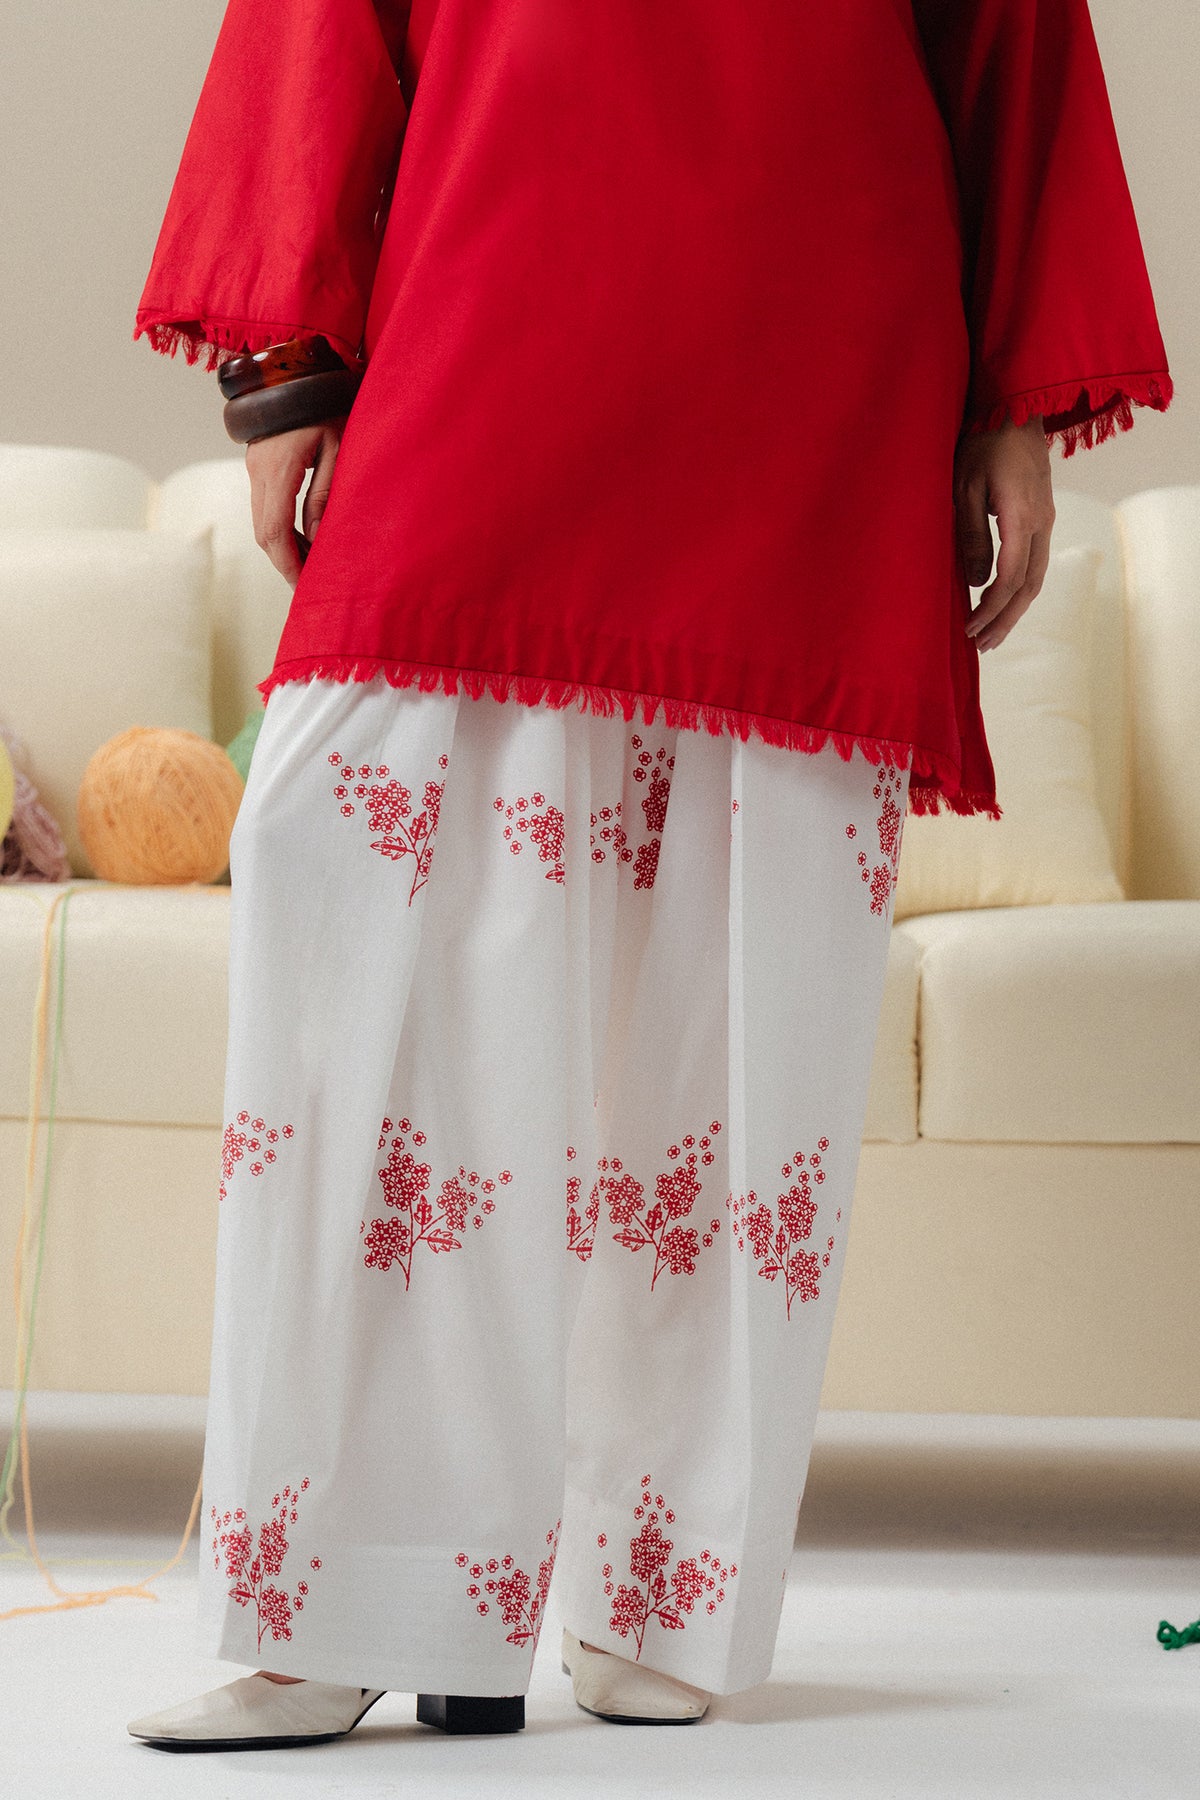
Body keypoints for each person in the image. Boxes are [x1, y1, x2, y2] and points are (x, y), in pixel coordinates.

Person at [126, 0, 1169, 1750]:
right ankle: (365, 1593)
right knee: (359, 884)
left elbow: (1016, 39)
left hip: (816, 328)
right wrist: (292, 364)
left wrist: (1012, 405)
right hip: (492, 287)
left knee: (741, 987)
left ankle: (659, 1586)